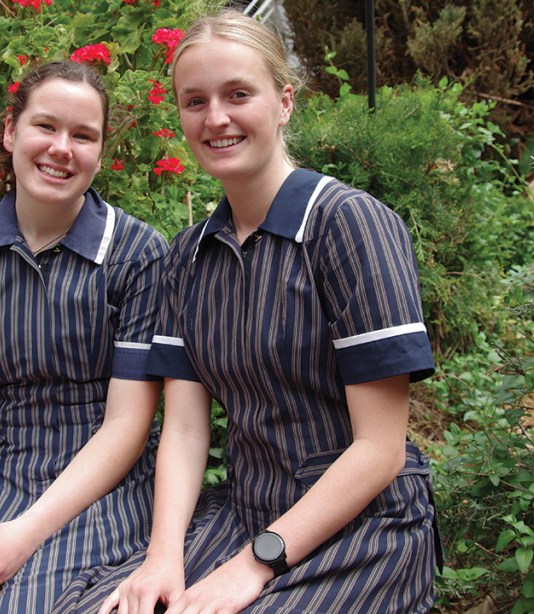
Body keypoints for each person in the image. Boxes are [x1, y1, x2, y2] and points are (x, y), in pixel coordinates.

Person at [53, 9, 441, 614]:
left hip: (365, 528)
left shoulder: (349, 225)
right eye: (194, 101)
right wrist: (163, 557)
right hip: (246, 510)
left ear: (284, 101)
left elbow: (379, 450)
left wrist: (252, 566)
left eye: (239, 94)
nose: (216, 119)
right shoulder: (188, 256)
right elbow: (183, 429)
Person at [0, 60, 168, 612]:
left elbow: (127, 425)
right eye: (46, 126)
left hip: (100, 481)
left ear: (99, 151)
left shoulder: (139, 254)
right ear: (11, 130)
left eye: (83, 135)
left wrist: (22, 536)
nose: (62, 148)